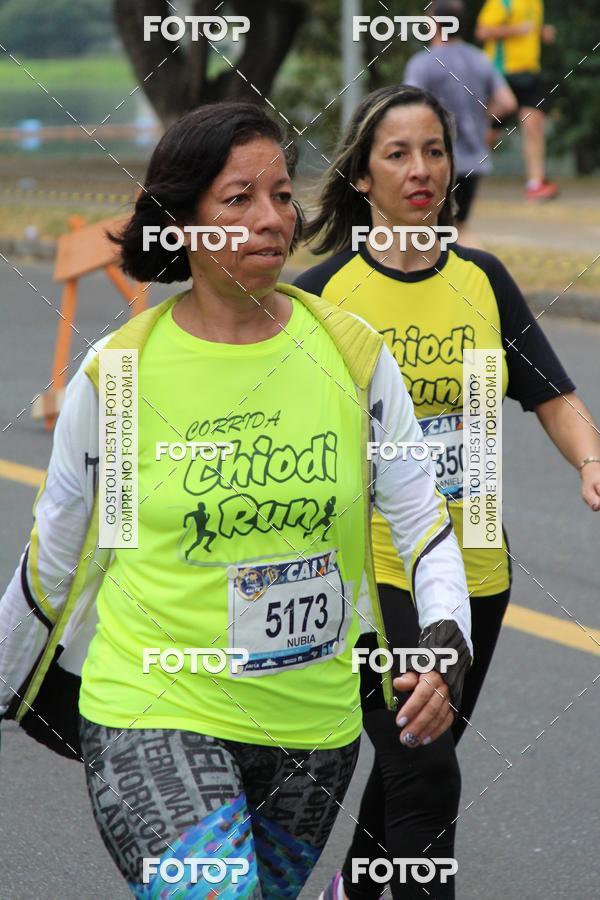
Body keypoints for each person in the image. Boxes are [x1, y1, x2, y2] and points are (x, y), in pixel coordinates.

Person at [0, 102, 473, 898]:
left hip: (311, 734)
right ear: (182, 222)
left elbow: (422, 520)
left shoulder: (349, 353)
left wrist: (444, 636)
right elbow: (56, 560)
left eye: (283, 195)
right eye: (238, 199)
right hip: (155, 707)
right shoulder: (122, 376)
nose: (271, 219)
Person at [294, 85, 600, 900]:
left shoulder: (484, 281)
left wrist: (589, 458)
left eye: (434, 150)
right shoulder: (323, 299)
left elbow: (551, 392)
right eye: (397, 153)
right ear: (361, 177)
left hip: (478, 572)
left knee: (411, 760)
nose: (421, 169)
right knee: (426, 770)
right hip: (376, 571)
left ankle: (352, 892)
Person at [404, 0, 517, 244]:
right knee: (459, 226)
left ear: (433, 24)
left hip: (434, 160)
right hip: (473, 159)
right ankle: (475, 276)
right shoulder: (481, 60)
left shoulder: (422, 63)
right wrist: (485, 121)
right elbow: (507, 102)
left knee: (431, 229)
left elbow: (409, 108)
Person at [476, 0, 558, 200]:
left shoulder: (536, 3)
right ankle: (462, 177)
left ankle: (535, 183)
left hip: (529, 73)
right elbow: (482, 32)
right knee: (490, 131)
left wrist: (542, 32)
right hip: (501, 73)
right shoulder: (502, 2)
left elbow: (531, 29)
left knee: (534, 124)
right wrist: (516, 30)